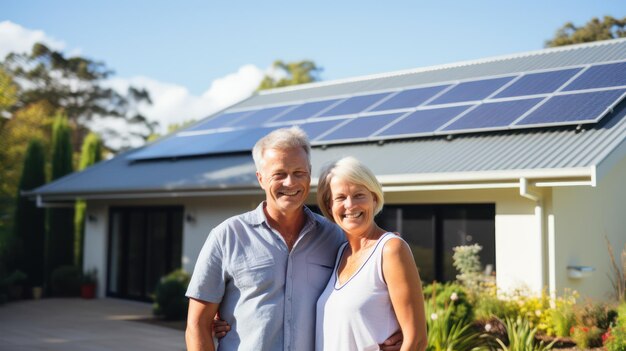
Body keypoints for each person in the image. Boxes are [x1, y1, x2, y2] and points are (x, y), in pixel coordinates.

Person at [185, 127, 402, 351]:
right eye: (279, 174)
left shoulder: (336, 237)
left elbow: (374, 279)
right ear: (261, 178)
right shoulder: (227, 236)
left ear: (309, 174)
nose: (290, 183)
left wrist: (400, 329)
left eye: (299, 173)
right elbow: (197, 324)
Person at [315, 156, 427, 351]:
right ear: (329, 206)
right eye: (340, 197)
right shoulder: (340, 252)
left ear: (374, 199)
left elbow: (416, 341)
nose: (350, 205)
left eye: (359, 195)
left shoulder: (391, 250)